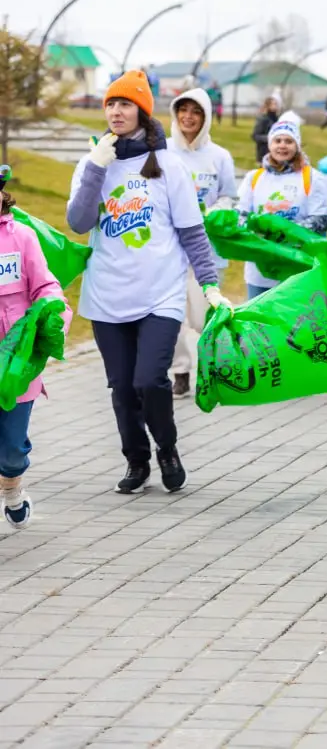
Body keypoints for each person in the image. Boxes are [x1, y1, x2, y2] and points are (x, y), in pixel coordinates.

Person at [66, 71, 232, 495]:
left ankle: (168, 449)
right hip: (106, 295)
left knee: (148, 381)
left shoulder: (168, 165)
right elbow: (78, 221)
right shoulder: (93, 163)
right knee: (121, 386)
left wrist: (210, 285)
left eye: (125, 104)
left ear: (141, 110)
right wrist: (95, 170)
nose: (116, 111)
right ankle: (136, 461)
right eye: (110, 104)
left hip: (160, 293)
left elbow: (192, 232)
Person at [0, 170, 72, 529]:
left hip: (19, 363)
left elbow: (46, 286)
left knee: (11, 450)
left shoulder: (22, 237)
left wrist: (53, 312)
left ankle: (11, 485)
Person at [167, 87, 238, 398]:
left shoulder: (220, 157)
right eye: (183, 110)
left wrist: (214, 210)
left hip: (207, 252)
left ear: (206, 117)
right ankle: (180, 371)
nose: (188, 117)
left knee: (202, 316)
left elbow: (229, 196)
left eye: (196, 112)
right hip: (169, 252)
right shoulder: (164, 153)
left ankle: (212, 365)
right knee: (170, 317)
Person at [236, 118, 327, 298]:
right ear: (270, 144)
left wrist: (281, 233)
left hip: (298, 269)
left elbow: (322, 220)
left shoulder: (312, 177)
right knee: (259, 323)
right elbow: (240, 214)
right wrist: (254, 231)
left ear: (297, 145)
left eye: (288, 141)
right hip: (260, 271)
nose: (282, 146)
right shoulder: (254, 178)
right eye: (277, 140)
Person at [252, 94, 280, 163]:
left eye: (276, 104)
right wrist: (269, 138)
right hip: (264, 153)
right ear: (268, 106)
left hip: (276, 153)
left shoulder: (277, 119)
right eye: (274, 104)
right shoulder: (263, 119)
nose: (276, 106)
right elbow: (255, 136)